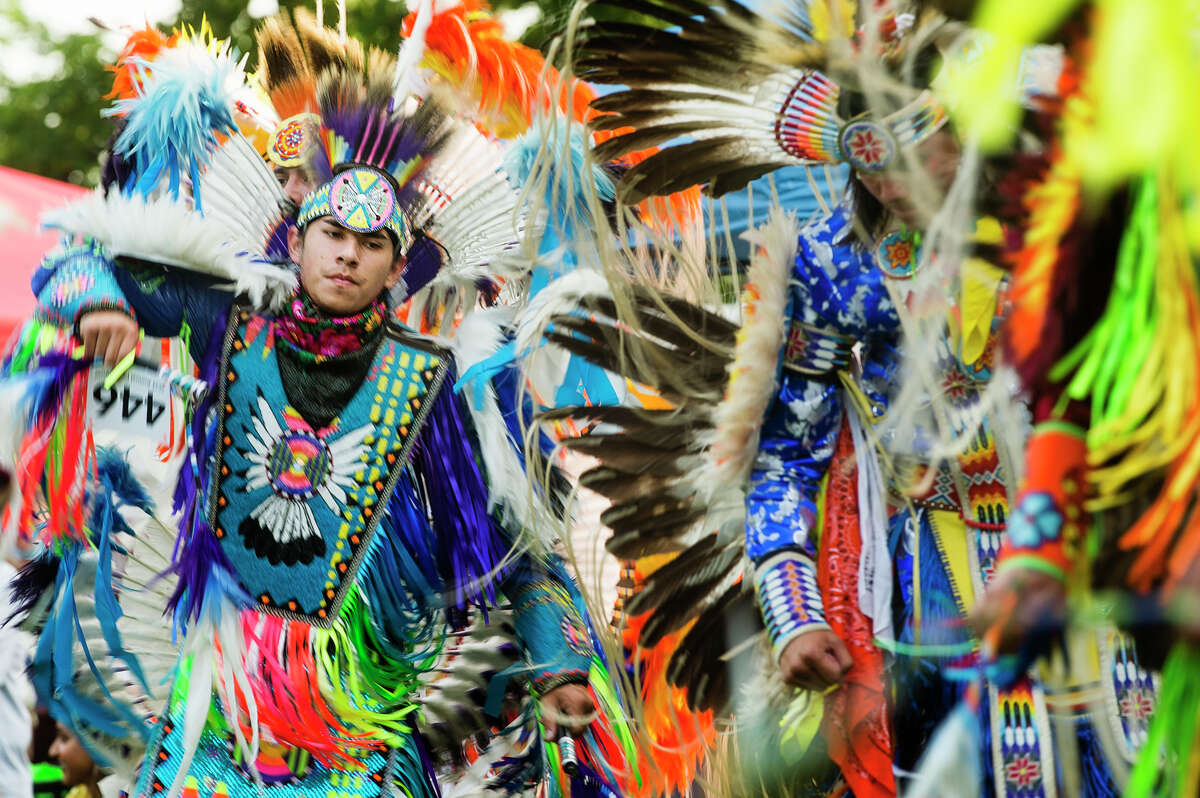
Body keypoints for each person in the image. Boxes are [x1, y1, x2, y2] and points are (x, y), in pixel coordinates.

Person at [9, 17, 628, 798]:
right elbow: (75, 255)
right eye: (332, 232)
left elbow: (517, 538)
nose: (347, 253)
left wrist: (563, 664)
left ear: (398, 264)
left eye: (372, 243)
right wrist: (102, 304)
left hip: (359, 718)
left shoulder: (433, 385)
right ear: (297, 239)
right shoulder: (229, 321)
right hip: (220, 704)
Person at [550, 2, 1150, 795]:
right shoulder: (836, 266)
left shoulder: (1064, 222)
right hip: (938, 591)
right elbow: (786, 452)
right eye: (865, 163)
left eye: (912, 154)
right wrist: (795, 609)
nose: (888, 184)